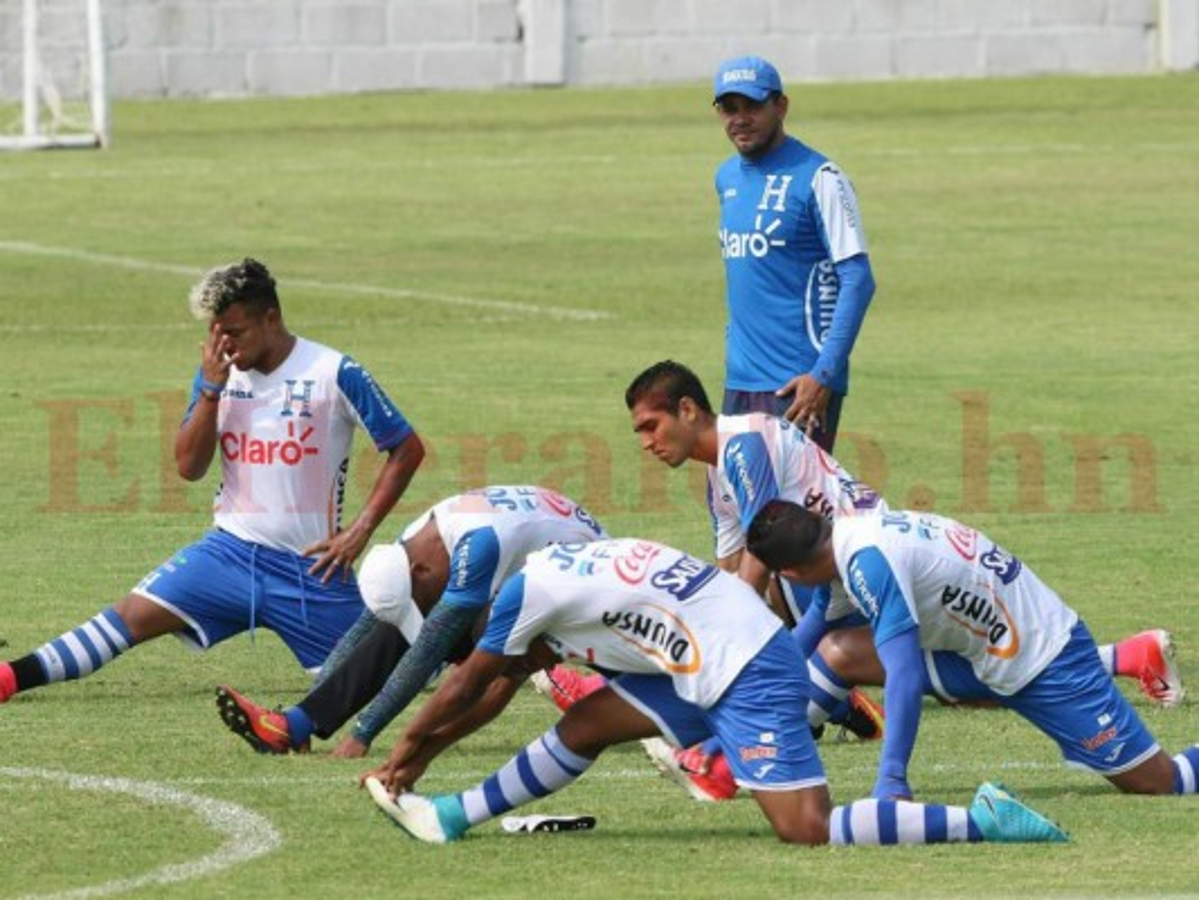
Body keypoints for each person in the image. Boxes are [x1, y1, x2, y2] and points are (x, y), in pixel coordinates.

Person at [542, 361, 1180, 801]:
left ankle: (726, 753)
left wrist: (702, 659)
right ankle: (728, 759)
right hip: (876, 587)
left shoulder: (744, 447)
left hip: (889, 581)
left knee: (1156, 783)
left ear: (688, 410)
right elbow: (734, 573)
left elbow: (755, 570)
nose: (645, 443)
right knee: (842, 655)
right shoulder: (721, 480)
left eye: (650, 426)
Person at [360, 537, 1068, 846]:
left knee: (806, 828)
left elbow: (471, 684)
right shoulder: (547, 577)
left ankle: (982, 821)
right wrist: (417, 763)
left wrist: (405, 752)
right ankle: (451, 816)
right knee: (586, 725)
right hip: (714, 646)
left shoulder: (526, 601)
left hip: (744, 663)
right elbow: (496, 683)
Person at [0, 258, 425, 704]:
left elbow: (407, 447)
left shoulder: (334, 372)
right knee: (128, 617)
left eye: (235, 332)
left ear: (271, 319)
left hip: (310, 570)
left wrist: (359, 530)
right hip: (228, 554)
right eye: (217, 333)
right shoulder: (218, 376)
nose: (225, 346)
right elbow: (189, 466)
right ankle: (9, 677)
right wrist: (209, 391)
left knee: (399, 672)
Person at [746, 500, 1196, 800]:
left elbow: (904, 674)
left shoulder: (869, 563)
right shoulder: (844, 541)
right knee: (839, 651)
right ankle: (750, 758)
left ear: (790, 573)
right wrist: (738, 711)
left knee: (1159, 782)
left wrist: (892, 779)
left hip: (1044, 657)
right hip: (978, 655)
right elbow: (806, 635)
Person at [214, 485, 608, 756]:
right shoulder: (412, 544)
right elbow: (367, 625)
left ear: (420, 570)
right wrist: (312, 704)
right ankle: (292, 726)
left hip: (591, 593)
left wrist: (363, 733)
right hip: (542, 575)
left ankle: (610, 697)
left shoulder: (479, 545)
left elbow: (427, 650)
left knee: (489, 640)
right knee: (403, 624)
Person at [712, 55, 875, 450]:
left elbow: (857, 279)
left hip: (798, 386)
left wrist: (824, 374)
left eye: (752, 106)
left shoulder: (821, 178)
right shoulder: (726, 177)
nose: (740, 119)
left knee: (791, 494)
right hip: (741, 381)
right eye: (729, 108)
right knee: (736, 491)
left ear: (781, 106)